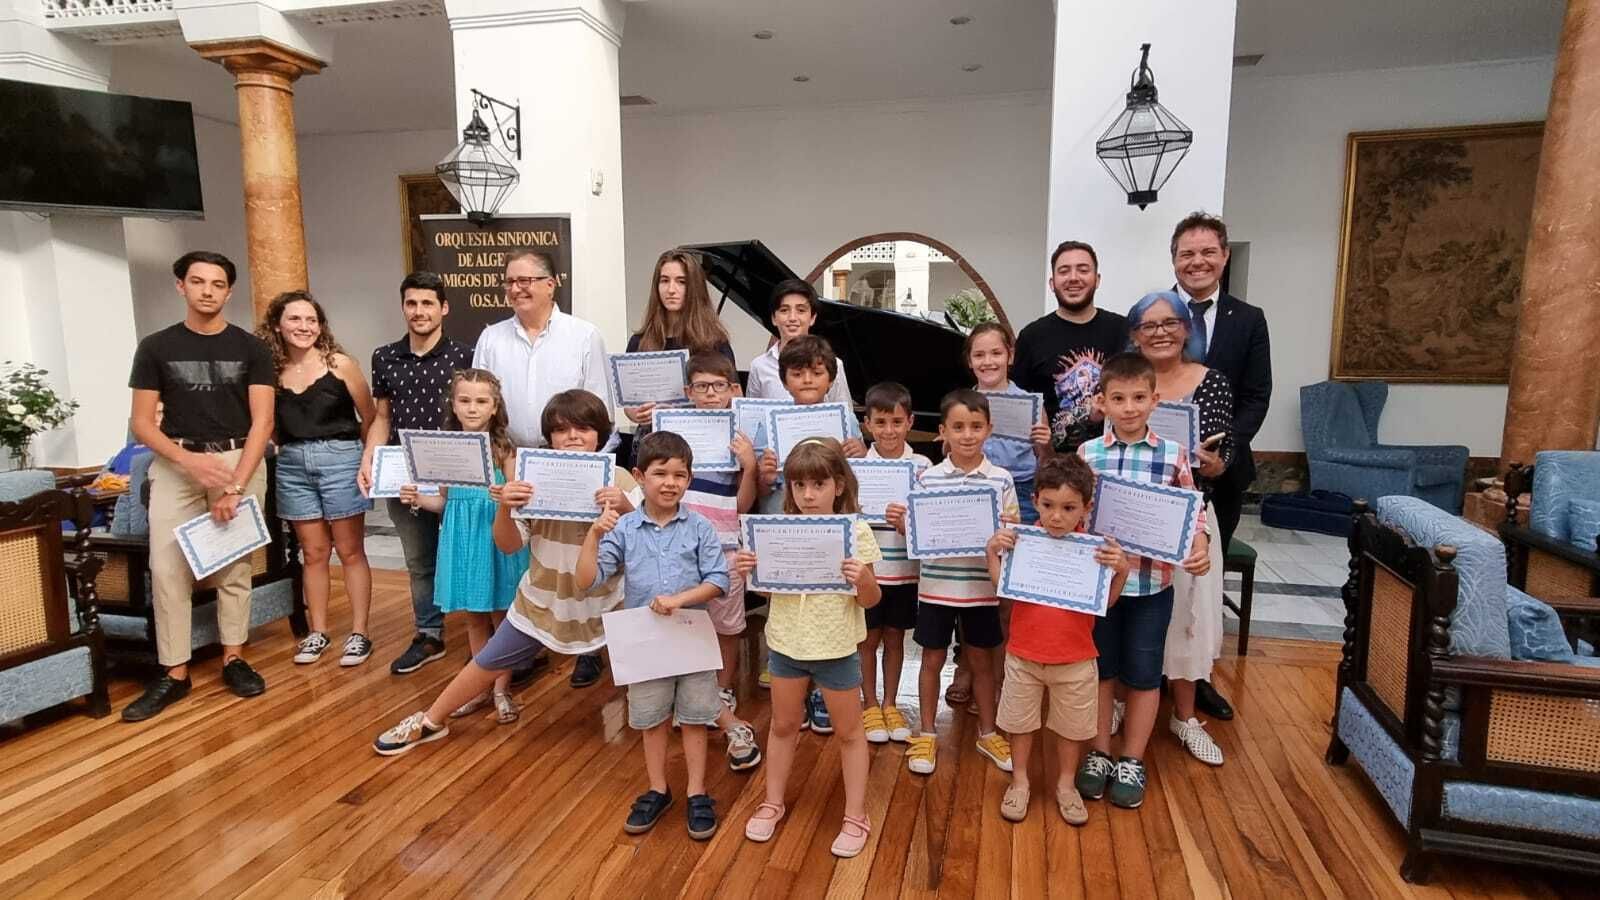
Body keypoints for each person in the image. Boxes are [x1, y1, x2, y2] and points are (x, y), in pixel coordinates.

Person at [373, 389, 633, 756]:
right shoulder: (533, 478)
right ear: (550, 438)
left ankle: (683, 717)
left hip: (609, 599)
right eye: (561, 430)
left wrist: (626, 507)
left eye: (583, 428)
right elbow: (510, 545)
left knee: (645, 671)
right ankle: (431, 720)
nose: (572, 437)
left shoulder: (620, 479)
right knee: (489, 659)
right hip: (544, 596)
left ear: (601, 433)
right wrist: (505, 510)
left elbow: (651, 535)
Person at [121, 251, 275, 722]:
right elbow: (142, 424)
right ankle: (175, 671)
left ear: (229, 292)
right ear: (180, 286)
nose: (207, 290)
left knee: (234, 565)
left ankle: (233, 656)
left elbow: (263, 421)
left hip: (238, 459)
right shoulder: (155, 347)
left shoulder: (252, 348)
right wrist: (190, 461)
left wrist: (233, 484)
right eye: (198, 281)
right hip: (176, 461)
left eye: (217, 284)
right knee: (166, 567)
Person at [576, 431, 730, 841]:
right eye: (660, 473)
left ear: (690, 479)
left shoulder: (699, 527)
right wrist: (593, 535)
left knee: (696, 718)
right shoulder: (624, 528)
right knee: (651, 719)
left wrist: (681, 598)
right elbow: (588, 581)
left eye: (680, 474)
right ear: (640, 476)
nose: (670, 482)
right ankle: (658, 788)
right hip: (644, 642)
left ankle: (697, 790)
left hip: (690, 637)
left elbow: (719, 579)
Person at [473, 249, 615, 687]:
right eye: (511, 281)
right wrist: (501, 457)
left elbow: (599, 405)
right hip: (511, 457)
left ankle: (587, 648)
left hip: (572, 464)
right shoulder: (492, 338)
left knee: (576, 557)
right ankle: (527, 645)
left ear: (552, 283)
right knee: (526, 557)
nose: (518, 288)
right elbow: (481, 398)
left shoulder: (583, 334)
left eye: (527, 280)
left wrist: (583, 465)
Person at [1075, 353, 1211, 810]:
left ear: (1155, 400)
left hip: (1152, 586)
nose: (1129, 407)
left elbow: (1193, 510)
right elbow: (1076, 516)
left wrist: (1200, 543)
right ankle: (1099, 751)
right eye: (1118, 398)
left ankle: (1132, 757)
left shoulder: (1174, 456)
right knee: (1101, 669)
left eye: (1138, 398)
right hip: (1102, 587)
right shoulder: (1088, 454)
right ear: (1102, 402)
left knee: (1145, 673)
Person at [735, 438, 882, 857]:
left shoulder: (856, 531)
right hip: (786, 645)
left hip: (836, 647)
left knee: (850, 733)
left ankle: (857, 814)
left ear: (838, 485)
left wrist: (863, 580)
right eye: (799, 486)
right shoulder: (777, 530)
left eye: (818, 485)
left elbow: (871, 602)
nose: (808, 495)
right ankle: (772, 802)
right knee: (782, 727)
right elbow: (768, 592)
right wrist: (751, 572)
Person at [985, 455, 1130, 825]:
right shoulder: (1022, 542)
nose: (1056, 517)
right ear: (1035, 500)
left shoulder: (1095, 550)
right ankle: (1020, 781)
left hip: (1076, 658)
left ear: (1087, 507)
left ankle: (1066, 784)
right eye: (1048, 505)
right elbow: (1004, 590)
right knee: (1019, 723)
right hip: (1023, 654)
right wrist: (992, 552)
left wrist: (1122, 571)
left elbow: (1106, 604)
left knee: (1071, 727)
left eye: (1069, 508)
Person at [1123, 291, 1233, 765]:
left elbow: (1219, 461)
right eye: (1149, 325)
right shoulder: (1124, 383)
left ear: (1187, 328)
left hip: (1186, 518)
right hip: (1128, 519)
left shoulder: (1212, 382)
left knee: (1187, 616)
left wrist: (1212, 462)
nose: (1160, 332)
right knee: (1130, 617)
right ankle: (1124, 706)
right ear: (1135, 335)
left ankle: (1185, 716)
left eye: (1170, 322)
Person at [1169, 212, 1271, 722]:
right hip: (1160, 476)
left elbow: (1257, 396)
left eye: (1207, 252)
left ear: (1224, 257)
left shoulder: (1248, 320)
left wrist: (1223, 454)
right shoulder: (1157, 317)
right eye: (1187, 253)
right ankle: (1154, 669)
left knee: (1205, 577)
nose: (1197, 262)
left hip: (1222, 475)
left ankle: (1199, 678)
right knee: (1158, 577)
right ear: (1174, 260)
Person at [893, 389, 1018, 776]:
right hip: (935, 588)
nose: (968, 435)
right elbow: (915, 534)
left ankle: (987, 731)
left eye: (976, 426)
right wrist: (904, 524)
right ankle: (927, 731)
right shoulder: (927, 478)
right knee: (931, 659)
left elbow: (1012, 528)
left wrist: (1006, 533)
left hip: (981, 589)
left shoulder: (1001, 479)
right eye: (959, 427)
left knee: (981, 660)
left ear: (989, 430)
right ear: (943, 431)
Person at [358, 272, 475, 677]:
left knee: (469, 551)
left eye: (428, 303)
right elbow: (382, 417)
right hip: (403, 475)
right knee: (419, 559)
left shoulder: (466, 355)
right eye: (412, 303)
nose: (419, 311)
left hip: (455, 473)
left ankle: (483, 635)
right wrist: (368, 457)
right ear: (403, 307)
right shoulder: (384, 357)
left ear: (443, 308)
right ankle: (429, 633)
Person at [398, 369, 530, 725]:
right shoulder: (444, 448)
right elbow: (442, 502)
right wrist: (416, 499)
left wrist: (504, 495)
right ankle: (479, 689)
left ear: (494, 406)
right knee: (474, 618)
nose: (472, 408)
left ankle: (502, 689)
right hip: (462, 539)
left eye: (481, 401)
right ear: (453, 405)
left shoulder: (505, 448)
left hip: (494, 535)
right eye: (465, 400)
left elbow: (518, 497)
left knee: (502, 616)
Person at [257, 291, 377, 667]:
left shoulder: (341, 365)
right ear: (278, 324)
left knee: (350, 549)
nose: (304, 327)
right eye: (295, 320)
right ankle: (318, 631)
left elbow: (371, 418)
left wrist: (363, 461)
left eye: (311, 320)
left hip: (341, 457)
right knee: (313, 552)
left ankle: (359, 633)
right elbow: (267, 425)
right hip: (292, 463)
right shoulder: (270, 372)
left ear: (321, 326)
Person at [755, 334, 867, 723]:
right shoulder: (768, 422)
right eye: (797, 373)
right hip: (782, 522)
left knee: (828, 603)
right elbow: (760, 483)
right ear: (784, 379)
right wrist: (765, 472)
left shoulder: (846, 419)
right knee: (786, 601)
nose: (806, 380)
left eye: (816, 373)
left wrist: (861, 452)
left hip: (829, 530)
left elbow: (857, 473)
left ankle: (823, 692)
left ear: (830, 378)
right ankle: (790, 684)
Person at [673, 351, 764, 770]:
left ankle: (722, 689)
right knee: (688, 621)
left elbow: (744, 505)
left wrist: (748, 467)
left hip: (726, 544)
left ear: (735, 390)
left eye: (719, 386)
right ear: (688, 392)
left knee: (727, 624)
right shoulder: (677, 433)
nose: (710, 395)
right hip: (681, 544)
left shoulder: (741, 437)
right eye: (701, 387)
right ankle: (691, 692)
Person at [858, 382, 930, 745]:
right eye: (881, 422)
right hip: (870, 572)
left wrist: (909, 523)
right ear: (867, 424)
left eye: (897, 422)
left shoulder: (923, 466)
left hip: (905, 572)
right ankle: (869, 703)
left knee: (895, 638)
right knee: (867, 639)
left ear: (910, 422)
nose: (889, 430)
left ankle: (891, 703)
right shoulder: (856, 467)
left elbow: (933, 524)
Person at [1012, 241, 1128, 454]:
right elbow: (1020, 406)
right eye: (1064, 271)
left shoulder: (1123, 330)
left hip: (1115, 459)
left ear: (1097, 279)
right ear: (1052, 283)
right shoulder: (1031, 336)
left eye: (1083, 270)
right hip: (1054, 465)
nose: (1073, 278)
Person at [620, 249, 736, 429]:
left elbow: (735, 398)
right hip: (653, 440)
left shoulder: (715, 341)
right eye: (664, 281)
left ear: (695, 288)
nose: (671, 290)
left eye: (681, 282)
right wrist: (638, 413)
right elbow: (630, 405)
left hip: (702, 437)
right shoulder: (640, 341)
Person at [967, 322, 1052, 524]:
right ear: (969, 361)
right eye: (979, 355)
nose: (988, 362)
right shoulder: (962, 405)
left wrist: (1046, 443)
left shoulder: (1031, 405)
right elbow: (949, 455)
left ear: (1010, 356)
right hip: (974, 488)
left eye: (996, 353)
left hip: (1022, 491)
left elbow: (1046, 461)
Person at [744, 279, 854, 404]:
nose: (792, 318)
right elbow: (752, 415)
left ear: (812, 318)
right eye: (784, 310)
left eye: (801, 310)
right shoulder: (759, 366)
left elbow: (844, 412)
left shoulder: (835, 364)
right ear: (774, 318)